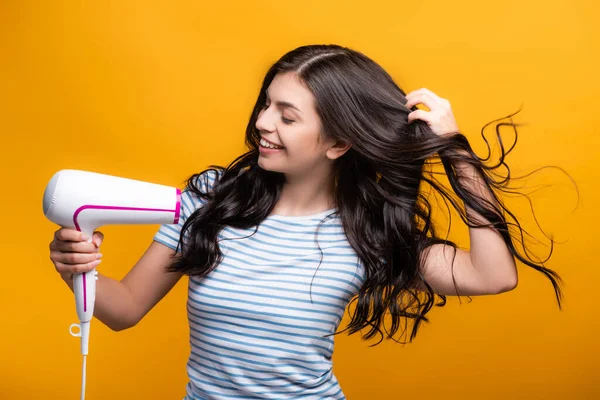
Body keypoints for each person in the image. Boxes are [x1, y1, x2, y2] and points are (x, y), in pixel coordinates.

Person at [48, 44, 563, 399]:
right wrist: (78, 271)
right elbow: (125, 309)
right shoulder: (209, 200)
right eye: (266, 105)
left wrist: (454, 152)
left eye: (287, 116)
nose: (262, 123)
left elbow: (493, 275)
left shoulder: (367, 233)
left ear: (339, 143)